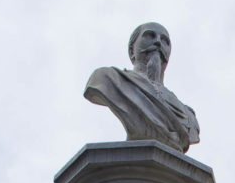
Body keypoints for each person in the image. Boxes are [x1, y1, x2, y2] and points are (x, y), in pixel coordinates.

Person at [84, 22, 200, 153]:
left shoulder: (188, 114)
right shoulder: (108, 78)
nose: (157, 42)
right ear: (132, 50)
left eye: (165, 41)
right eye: (150, 36)